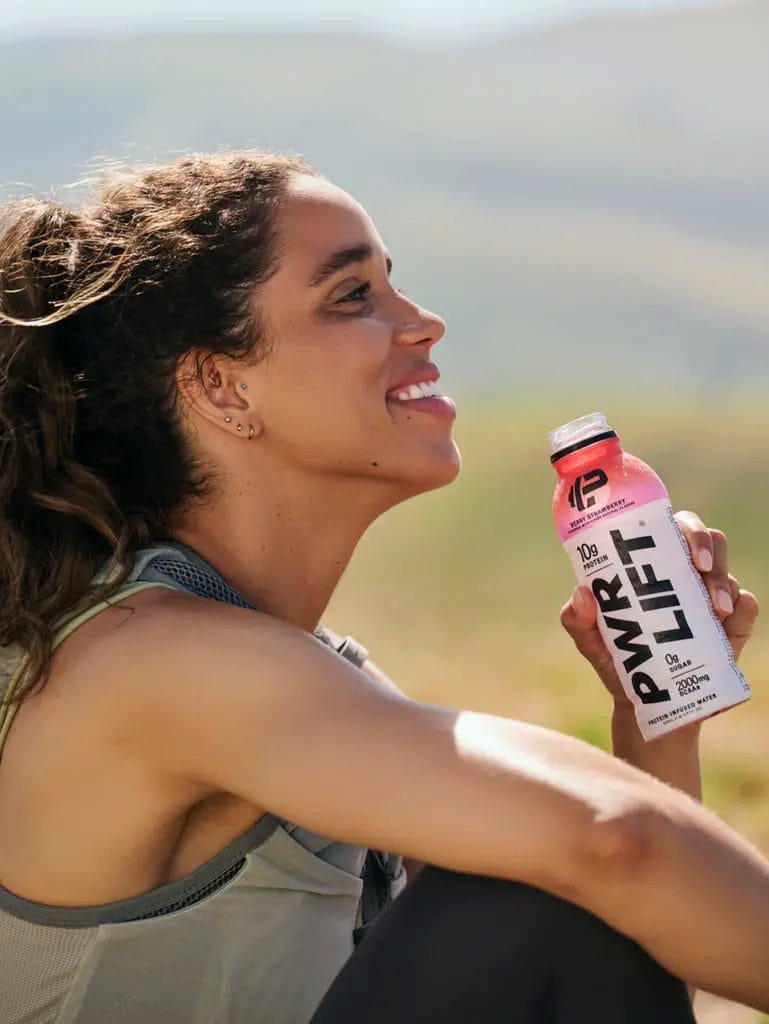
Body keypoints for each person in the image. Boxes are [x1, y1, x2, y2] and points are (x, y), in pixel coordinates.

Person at [0, 151, 766, 1024]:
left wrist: (654, 712)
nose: (424, 323)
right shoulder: (162, 661)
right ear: (220, 384)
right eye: (352, 295)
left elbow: (602, 946)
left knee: (540, 878)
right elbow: (615, 841)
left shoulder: (294, 670)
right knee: (533, 881)